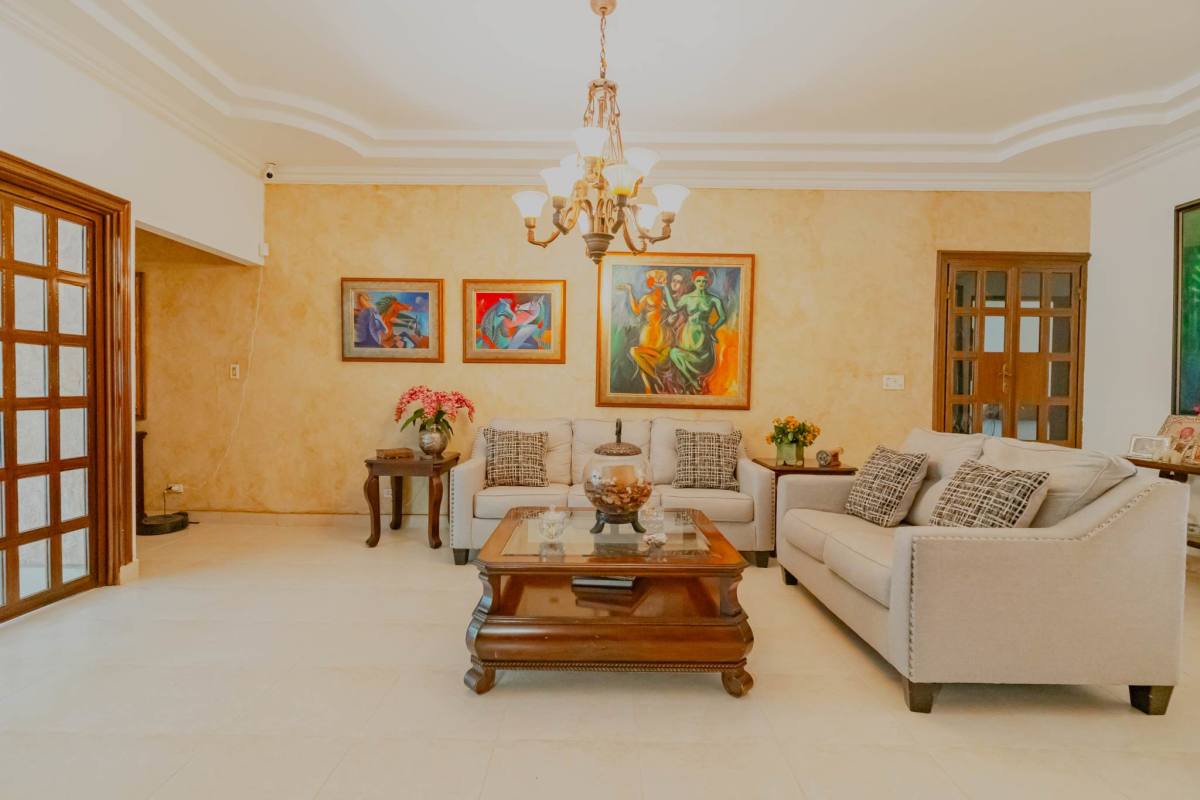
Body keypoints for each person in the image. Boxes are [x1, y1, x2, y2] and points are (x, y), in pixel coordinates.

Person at [663, 270, 726, 393]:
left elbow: (723, 317)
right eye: (698, 281)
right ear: (694, 281)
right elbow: (674, 308)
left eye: (704, 281)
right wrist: (665, 288)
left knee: (701, 359)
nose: (701, 283)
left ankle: (694, 382)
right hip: (688, 334)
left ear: (708, 283)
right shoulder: (687, 298)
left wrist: (713, 328)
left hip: (703, 335)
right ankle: (692, 381)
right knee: (674, 353)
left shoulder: (714, 299)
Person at [617, 269, 671, 393]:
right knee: (642, 361)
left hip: (662, 333)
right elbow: (636, 310)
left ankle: (657, 380)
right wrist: (630, 291)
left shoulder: (667, 297)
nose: (660, 281)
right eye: (657, 279)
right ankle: (654, 380)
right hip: (648, 332)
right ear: (651, 282)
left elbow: (674, 309)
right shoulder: (647, 297)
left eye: (662, 279)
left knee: (657, 360)